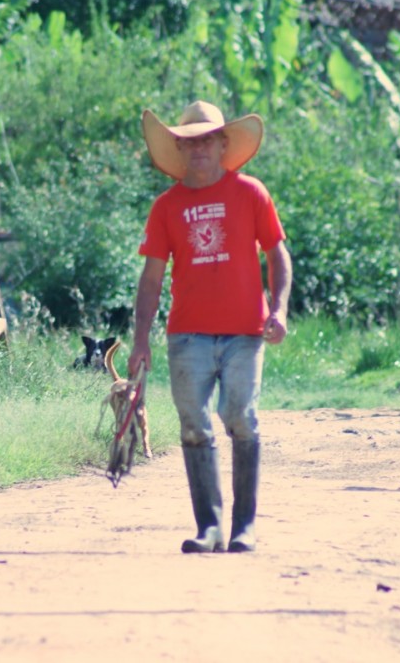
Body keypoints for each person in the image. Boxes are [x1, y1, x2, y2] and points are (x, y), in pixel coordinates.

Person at [127, 100, 292, 554]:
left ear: (222, 145)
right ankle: (210, 527)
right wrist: (140, 341)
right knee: (195, 426)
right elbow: (151, 279)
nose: (198, 148)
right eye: (189, 142)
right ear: (180, 151)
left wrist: (278, 309)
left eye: (206, 140)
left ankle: (245, 526)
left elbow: (277, 254)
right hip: (188, 336)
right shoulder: (166, 207)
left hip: (245, 332)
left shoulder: (251, 194)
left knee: (241, 418)